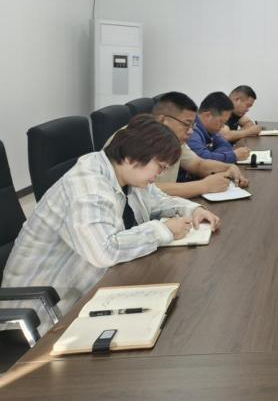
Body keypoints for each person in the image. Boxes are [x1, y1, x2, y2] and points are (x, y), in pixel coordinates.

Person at [2, 115, 221, 333]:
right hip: (41, 313)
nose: (161, 174)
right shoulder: (88, 187)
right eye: (160, 167)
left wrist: (193, 210)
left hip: (87, 289)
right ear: (133, 157)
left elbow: (157, 199)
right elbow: (104, 251)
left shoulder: (123, 174)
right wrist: (163, 230)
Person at [106, 92, 249, 198]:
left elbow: (197, 164)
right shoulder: (136, 137)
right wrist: (203, 186)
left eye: (192, 125)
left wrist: (227, 167)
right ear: (163, 120)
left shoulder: (173, 139)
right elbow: (143, 191)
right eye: (186, 124)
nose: (190, 131)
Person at [188, 92, 251, 164]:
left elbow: (226, 145)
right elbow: (202, 160)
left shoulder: (211, 130)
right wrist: (233, 156)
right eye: (221, 122)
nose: (223, 126)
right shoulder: (190, 131)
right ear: (208, 115)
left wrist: (213, 155)